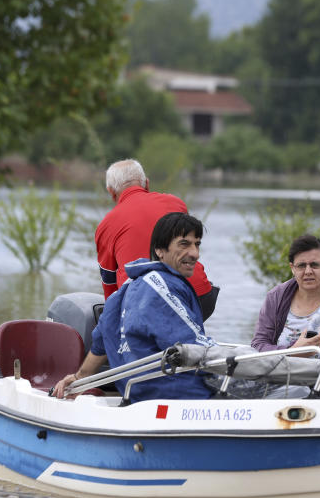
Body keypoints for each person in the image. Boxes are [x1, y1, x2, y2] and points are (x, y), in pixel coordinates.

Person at [54, 212, 215, 401]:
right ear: (160, 250)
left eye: (197, 244)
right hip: (176, 394)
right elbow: (192, 346)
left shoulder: (129, 285)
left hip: (139, 394)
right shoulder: (162, 287)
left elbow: (102, 339)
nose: (195, 253)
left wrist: (79, 378)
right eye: (184, 244)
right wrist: (248, 362)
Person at [96, 158, 219, 320]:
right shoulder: (176, 203)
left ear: (111, 192)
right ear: (146, 184)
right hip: (200, 296)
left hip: (146, 306)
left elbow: (109, 285)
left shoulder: (106, 224)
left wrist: (112, 322)